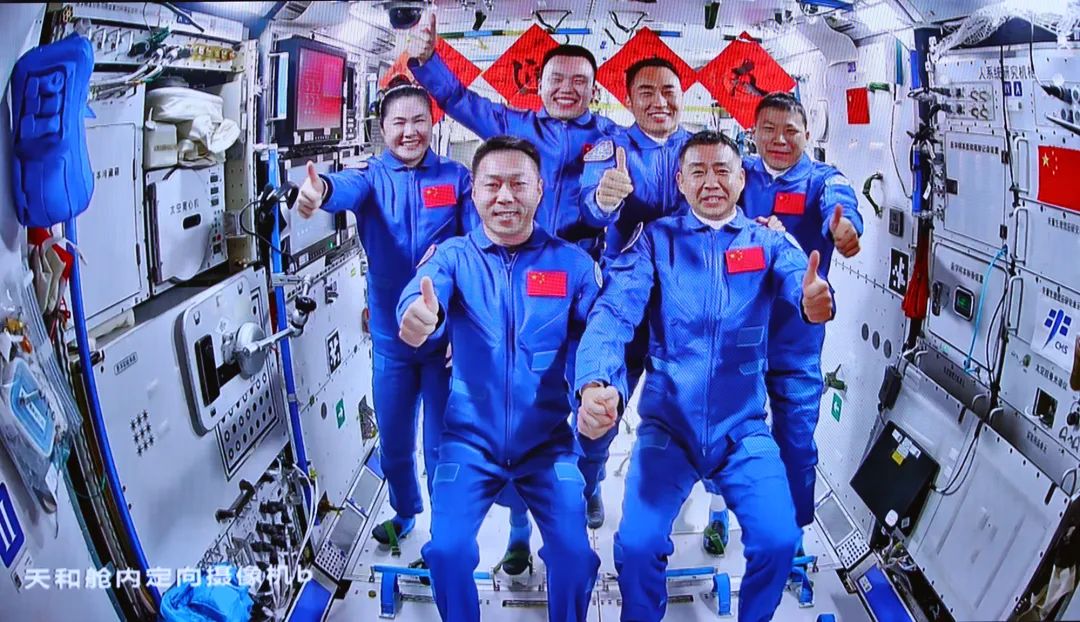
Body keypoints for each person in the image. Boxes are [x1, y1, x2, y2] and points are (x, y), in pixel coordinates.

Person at [574, 130, 834, 622]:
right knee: (637, 544)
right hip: (668, 428)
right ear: (680, 181)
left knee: (779, 540)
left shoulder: (768, 242)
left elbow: (801, 281)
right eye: (698, 172)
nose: (711, 182)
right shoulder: (656, 241)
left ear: (742, 180)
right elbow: (614, 312)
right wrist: (594, 381)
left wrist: (813, 300)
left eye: (722, 171)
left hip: (743, 429)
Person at [296, 83, 526, 567]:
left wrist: (465, 327)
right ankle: (404, 511)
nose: (409, 131)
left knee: (441, 446)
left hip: (443, 341)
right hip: (391, 341)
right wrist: (321, 191)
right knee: (395, 440)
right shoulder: (372, 177)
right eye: (398, 122)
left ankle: (443, 536)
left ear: (433, 123)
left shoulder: (456, 178)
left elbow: (474, 251)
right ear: (382, 129)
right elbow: (344, 188)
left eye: (418, 120)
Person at [397, 136, 600, 622]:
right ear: (474, 190)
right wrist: (418, 315)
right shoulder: (453, 257)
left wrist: (598, 384)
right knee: (446, 552)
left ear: (540, 189)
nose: (505, 197)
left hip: (548, 443)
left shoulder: (572, 265)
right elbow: (424, 294)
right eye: (492, 185)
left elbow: (600, 336)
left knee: (576, 556)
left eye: (518, 184)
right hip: (469, 441)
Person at [692, 92, 862, 553]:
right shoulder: (736, 175)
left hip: (795, 335)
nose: (780, 139)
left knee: (797, 440)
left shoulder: (822, 180)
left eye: (791, 130)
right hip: (737, 333)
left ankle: (794, 532)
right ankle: (718, 512)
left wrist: (846, 229)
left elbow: (841, 203)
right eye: (768, 129)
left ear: (808, 133)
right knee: (723, 430)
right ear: (753, 133)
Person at [574, 56, 695, 528]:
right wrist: (604, 198)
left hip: (686, 297)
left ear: (682, 96)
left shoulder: (701, 150)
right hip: (627, 286)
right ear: (627, 100)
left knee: (689, 408)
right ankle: (589, 483)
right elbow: (591, 203)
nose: (659, 101)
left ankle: (679, 496)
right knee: (603, 402)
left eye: (668, 91)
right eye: (646, 92)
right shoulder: (612, 149)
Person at [406, 12, 621, 259]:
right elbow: (459, 99)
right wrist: (428, 61)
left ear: (593, 91)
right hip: (517, 257)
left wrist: (605, 202)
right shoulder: (513, 125)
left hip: (581, 258)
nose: (566, 88)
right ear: (539, 85)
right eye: (557, 79)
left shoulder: (612, 137)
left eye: (579, 81)